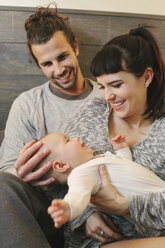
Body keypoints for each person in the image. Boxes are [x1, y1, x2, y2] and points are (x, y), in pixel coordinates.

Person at [0, 4, 100, 248]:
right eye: (47, 64)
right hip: (48, 214)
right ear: (38, 65)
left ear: (75, 47)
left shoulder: (106, 94)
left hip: (104, 202)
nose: (59, 70)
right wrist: (23, 175)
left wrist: (87, 210)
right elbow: (7, 173)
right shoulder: (28, 105)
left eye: (63, 56)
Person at [59, 25, 165, 247]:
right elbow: (56, 172)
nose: (108, 96)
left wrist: (125, 207)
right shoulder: (93, 112)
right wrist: (84, 215)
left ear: (146, 77)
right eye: (102, 86)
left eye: (116, 85)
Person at [33, 131, 165, 238]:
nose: (76, 137)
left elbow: (125, 167)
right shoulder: (79, 173)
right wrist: (69, 207)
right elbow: (78, 194)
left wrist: (122, 150)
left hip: (157, 201)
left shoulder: (98, 159)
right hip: (153, 214)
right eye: (68, 140)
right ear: (61, 165)